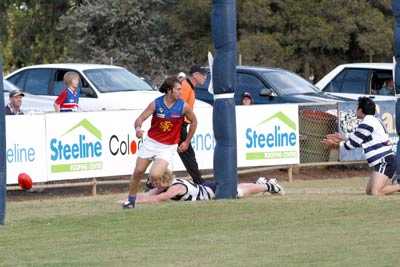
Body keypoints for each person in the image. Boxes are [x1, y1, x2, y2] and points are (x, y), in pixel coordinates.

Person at [122, 76, 197, 209]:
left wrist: (186, 141)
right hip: (151, 143)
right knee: (138, 172)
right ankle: (130, 200)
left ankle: (162, 174)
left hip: (168, 147)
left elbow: (194, 122)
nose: (181, 92)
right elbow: (139, 119)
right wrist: (138, 129)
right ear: (169, 90)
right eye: (178, 89)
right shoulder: (156, 104)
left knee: (155, 175)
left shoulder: (183, 106)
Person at [322, 97, 400, 196]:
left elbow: (351, 145)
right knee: (369, 192)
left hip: (384, 161)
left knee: (375, 192)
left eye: (357, 107)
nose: (356, 110)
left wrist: (334, 145)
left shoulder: (367, 123)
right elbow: (359, 140)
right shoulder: (372, 120)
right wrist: (343, 138)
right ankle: (393, 185)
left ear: (360, 110)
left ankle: (397, 186)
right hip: (384, 161)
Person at [134, 169, 284, 204]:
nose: (151, 184)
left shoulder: (175, 188)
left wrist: (137, 201)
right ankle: (261, 183)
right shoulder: (163, 186)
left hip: (210, 192)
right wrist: (129, 200)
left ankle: (269, 186)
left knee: (238, 191)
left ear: (161, 180)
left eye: (154, 181)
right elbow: (148, 195)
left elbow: (159, 198)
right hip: (204, 189)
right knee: (238, 188)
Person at [178, 65, 207, 184]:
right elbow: (179, 106)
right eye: (203, 75)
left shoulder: (188, 86)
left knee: (185, 154)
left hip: (179, 124)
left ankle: (198, 180)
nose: (205, 77)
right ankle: (199, 182)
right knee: (188, 154)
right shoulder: (185, 86)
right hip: (178, 125)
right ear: (195, 75)